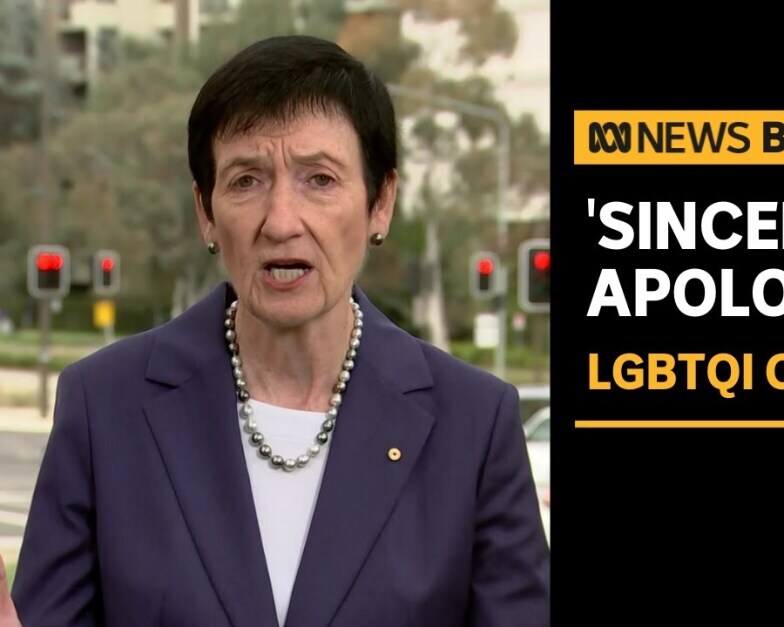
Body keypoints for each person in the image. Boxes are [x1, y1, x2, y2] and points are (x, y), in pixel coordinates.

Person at [7, 35, 550, 626]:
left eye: (320, 179)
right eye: (247, 180)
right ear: (206, 211)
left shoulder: (474, 424)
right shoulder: (105, 406)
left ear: (381, 202)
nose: (282, 222)